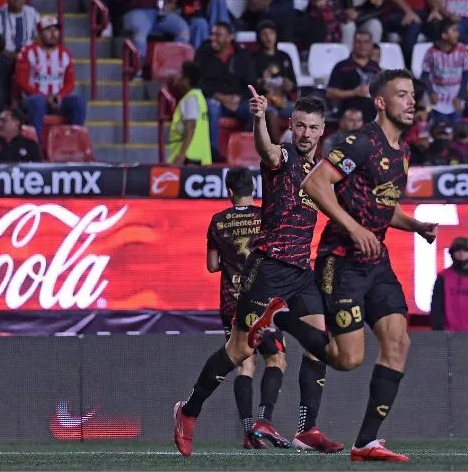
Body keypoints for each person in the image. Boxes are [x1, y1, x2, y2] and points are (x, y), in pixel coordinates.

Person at [247, 69, 438, 463]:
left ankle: (366, 442)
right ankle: (280, 317)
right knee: (347, 359)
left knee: (399, 342)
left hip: (376, 259)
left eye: (413, 95)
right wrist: (353, 228)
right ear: (381, 102)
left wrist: (415, 224)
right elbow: (315, 184)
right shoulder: (360, 143)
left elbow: (383, 204)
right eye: (402, 94)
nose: (411, 101)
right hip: (342, 260)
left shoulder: (401, 150)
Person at [174, 94, 343, 457]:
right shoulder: (283, 157)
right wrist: (260, 118)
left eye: (313, 127)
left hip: (302, 272)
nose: (305, 133)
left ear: (322, 130)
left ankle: (306, 428)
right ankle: (188, 412)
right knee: (238, 351)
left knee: (321, 345)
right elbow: (265, 150)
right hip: (267, 269)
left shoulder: (323, 171)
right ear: (291, 126)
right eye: (299, 125)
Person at [205, 167, 276, 448]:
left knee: (244, 362)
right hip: (264, 300)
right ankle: (264, 420)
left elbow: (212, 265)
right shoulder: (264, 217)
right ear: (253, 190)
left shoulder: (218, 220)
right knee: (276, 359)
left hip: (232, 299)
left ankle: (249, 430)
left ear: (229, 192)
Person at [14, 15, 85, 137]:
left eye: (55, 30)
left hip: (58, 100)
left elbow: (70, 83)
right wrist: (45, 97)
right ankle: (36, 146)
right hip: (34, 99)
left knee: (78, 102)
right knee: (37, 102)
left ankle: (74, 141)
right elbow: (21, 81)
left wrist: (59, 96)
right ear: (40, 33)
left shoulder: (65, 53)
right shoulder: (28, 52)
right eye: (48, 30)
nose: (53, 34)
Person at [194, 22, 255, 158]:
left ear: (229, 37)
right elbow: (199, 83)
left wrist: (239, 97)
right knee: (212, 106)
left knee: (256, 110)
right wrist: (221, 97)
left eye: (218, 35)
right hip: (215, 99)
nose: (213, 38)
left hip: (237, 100)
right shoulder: (203, 53)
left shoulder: (242, 55)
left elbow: (251, 82)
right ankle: (213, 154)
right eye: (212, 34)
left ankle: (248, 152)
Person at [251, 20, 297, 141]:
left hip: (282, 100)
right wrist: (262, 82)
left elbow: (294, 83)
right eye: (264, 34)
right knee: (270, 113)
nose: (268, 37)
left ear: (276, 35)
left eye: (271, 33)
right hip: (264, 101)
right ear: (259, 37)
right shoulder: (253, 58)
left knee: (301, 111)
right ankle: (277, 150)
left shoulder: (284, 57)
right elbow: (250, 83)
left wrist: (289, 85)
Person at [421, 19, 468, 125]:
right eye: (454, 31)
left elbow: (465, 77)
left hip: (455, 100)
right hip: (438, 101)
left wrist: (460, 97)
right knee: (441, 129)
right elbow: (424, 76)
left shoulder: (462, 51)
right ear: (444, 35)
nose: (457, 34)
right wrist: (431, 93)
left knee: (455, 129)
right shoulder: (432, 52)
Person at [326, 30, 381, 122]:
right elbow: (330, 93)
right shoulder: (342, 66)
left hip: (373, 117)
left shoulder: (375, 68)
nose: (362, 45)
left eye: (366, 42)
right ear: (353, 44)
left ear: (371, 45)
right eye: (358, 42)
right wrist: (354, 93)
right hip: (349, 116)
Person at [168, 61, 212, 165]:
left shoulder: (191, 99)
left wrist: (181, 155)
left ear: (186, 80)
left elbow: (190, 127)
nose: (177, 78)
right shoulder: (199, 96)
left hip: (189, 160)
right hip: (198, 158)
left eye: (180, 75)